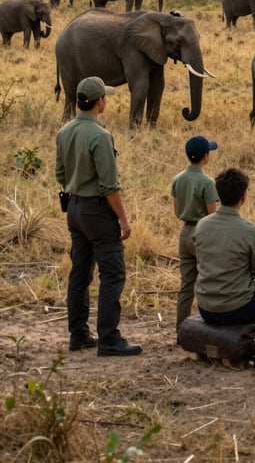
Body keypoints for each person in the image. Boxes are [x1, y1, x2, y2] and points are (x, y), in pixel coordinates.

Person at [55, 76, 142, 357]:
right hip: (97, 211)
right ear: (99, 101)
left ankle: (78, 334)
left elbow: (60, 175)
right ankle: (109, 337)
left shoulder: (64, 132)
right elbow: (109, 185)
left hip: (75, 210)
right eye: (105, 97)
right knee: (113, 272)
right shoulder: (101, 136)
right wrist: (123, 220)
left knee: (79, 273)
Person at [194, 168, 255, 361]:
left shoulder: (202, 225)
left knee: (250, 291)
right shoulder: (251, 232)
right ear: (244, 196)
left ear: (218, 194)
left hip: (206, 307)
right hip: (237, 309)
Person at [171, 135, 219, 336]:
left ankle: (181, 331)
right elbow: (213, 214)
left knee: (186, 286)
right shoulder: (207, 182)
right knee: (209, 283)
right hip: (202, 232)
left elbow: (176, 211)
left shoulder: (178, 179)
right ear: (205, 157)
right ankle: (212, 329)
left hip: (185, 233)